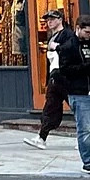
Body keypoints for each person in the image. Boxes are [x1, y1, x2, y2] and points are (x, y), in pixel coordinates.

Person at [24, 9, 74, 149]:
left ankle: (83, 138)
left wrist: (57, 47)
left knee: (77, 106)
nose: (49, 22)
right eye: (48, 19)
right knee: (51, 107)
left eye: (52, 19)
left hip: (64, 76)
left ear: (60, 19)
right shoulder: (53, 36)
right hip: (55, 77)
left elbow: (71, 50)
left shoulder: (67, 34)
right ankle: (42, 137)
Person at [54, 14, 90, 173]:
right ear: (78, 28)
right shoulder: (68, 46)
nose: (88, 35)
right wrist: (85, 67)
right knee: (85, 128)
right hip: (79, 92)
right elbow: (65, 70)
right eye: (86, 32)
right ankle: (88, 161)